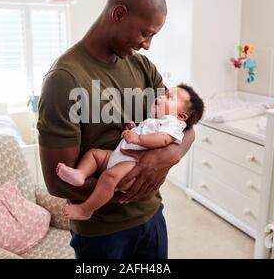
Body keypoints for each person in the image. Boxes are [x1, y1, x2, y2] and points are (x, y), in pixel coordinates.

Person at [37, 0, 197, 259]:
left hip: (152, 217)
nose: (147, 45)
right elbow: (56, 181)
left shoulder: (142, 66)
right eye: (145, 33)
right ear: (119, 14)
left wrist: (167, 157)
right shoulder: (65, 79)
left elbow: (186, 128)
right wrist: (127, 187)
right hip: (103, 235)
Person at [57, 85, 204, 221]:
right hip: (119, 156)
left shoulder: (173, 124)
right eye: (164, 94)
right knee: (95, 155)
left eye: (169, 97)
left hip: (132, 165)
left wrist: (138, 138)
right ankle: (80, 174)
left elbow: (164, 140)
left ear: (182, 116)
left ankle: (86, 209)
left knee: (109, 177)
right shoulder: (156, 120)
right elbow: (149, 132)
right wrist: (134, 129)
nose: (161, 97)